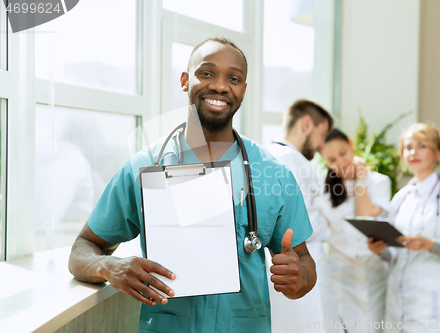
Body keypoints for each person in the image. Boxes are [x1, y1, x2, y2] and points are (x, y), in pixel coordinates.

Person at [68, 37, 317, 333]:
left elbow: (303, 262)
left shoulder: (274, 174)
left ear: (243, 91)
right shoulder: (144, 168)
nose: (220, 86)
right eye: (207, 73)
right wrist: (110, 267)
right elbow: (82, 249)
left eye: (233, 78)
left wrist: (298, 276)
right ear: (185, 80)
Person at [368, 123, 440, 333]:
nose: (413, 152)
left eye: (421, 146)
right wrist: (381, 250)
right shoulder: (400, 198)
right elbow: (396, 254)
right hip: (397, 293)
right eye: (408, 147)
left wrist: (428, 244)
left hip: (430, 295)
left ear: (438, 153)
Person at [265, 99, 340, 333]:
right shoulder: (292, 159)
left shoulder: (267, 155)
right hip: (304, 262)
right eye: (322, 134)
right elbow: (302, 222)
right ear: (307, 124)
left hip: (283, 266)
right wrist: (330, 226)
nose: (321, 146)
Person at [315, 128, 392, 333]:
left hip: (372, 273)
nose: (340, 163)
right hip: (340, 276)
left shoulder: (378, 182)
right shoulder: (321, 187)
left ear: (351, 145)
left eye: (343, 153)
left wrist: (360, 179)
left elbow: (365, 215)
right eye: (331, 160)